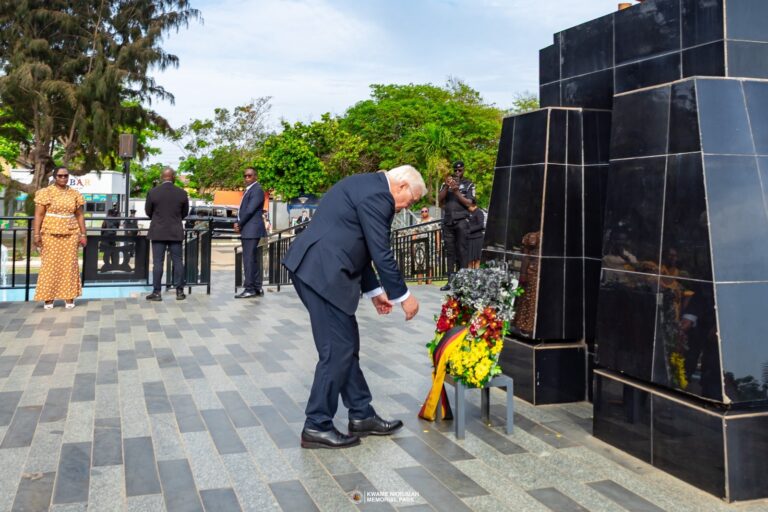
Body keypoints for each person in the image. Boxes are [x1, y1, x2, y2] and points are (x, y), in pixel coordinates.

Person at [283, 165, 425, 449]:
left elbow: (357, 243)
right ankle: (317, 424)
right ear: (402, 186)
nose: (405, 207)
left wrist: (374, 290)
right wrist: (403, 295)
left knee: (346, 345)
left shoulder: (365, 185)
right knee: (337, 350)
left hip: (318, 268)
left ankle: (361, 414)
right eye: (410, 201)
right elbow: (379, 249)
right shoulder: (380, 196)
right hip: (323, 273)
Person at [32, 166, 88, 309]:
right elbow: (39, 215)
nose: (63, 178)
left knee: (70, 265)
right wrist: (36, 233)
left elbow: (80, 215)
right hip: (50, 233)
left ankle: (69, 298)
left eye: (65, 176)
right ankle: (48, 298)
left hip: (70, 233)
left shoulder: (74, 193)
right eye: (60, 176)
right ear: (54, 177)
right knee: (49, 265)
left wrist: (83, 234)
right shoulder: (46, 193)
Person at [145, 168, 189, 301]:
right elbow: (185, 213)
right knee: (178, 261)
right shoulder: (182, 193)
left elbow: (148, 212)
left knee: (158, 263)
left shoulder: (153, 192)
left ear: (161, 177)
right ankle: (179, 292)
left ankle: (157, 293)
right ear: (173, 177)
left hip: (158, 231)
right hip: (175, 231)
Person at [438, 160, 475, 290]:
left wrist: (457, 192)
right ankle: (449, 281)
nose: (457, 172)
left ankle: (462, 281)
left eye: (460, 170)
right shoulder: (446, 183)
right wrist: (448, 186)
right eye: (455, 170)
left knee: (462, 251)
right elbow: (440, 199)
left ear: (463, 170)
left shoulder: (468, 184)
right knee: (450, 252)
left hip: (461, 221)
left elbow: (469, 203)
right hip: (448, 222)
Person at [234, 167, 267, 299]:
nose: (246, 178)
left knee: (248, 260)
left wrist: (240, 223)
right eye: (245, 176)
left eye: (249, 176)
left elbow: (249, 210)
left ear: (255, 177)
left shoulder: (257, 190)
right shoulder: (250, 190)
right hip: (249, 230)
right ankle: (256, 287)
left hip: (251, 231)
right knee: (252, 260)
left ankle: (249, 288)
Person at [467, 200, 485, 269]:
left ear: (472, 205)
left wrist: (469, 230)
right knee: (469, 260)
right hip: (470, 239)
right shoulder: (469, 213)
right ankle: (469, 278)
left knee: (477, 260)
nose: (467, 207)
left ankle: (476, 277)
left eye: (468, 206)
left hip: (477, 239)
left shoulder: (479, 212)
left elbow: (481, 225)